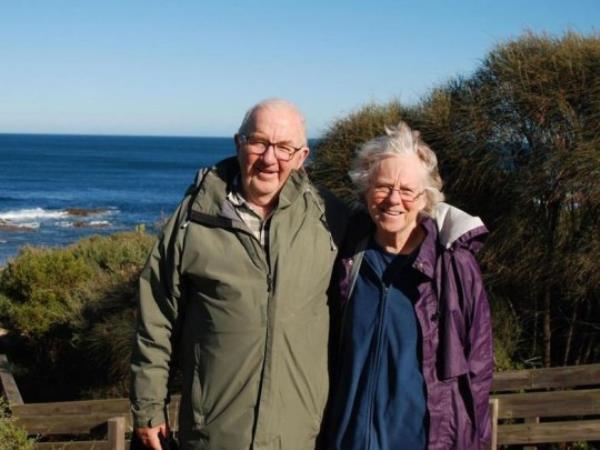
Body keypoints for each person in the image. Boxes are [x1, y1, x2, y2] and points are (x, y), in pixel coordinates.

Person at [129, 99, 348, 449]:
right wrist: (149, 405)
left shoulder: (329, 219)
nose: (269, 158)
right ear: (239, 143)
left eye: (284, 147)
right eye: (259, 142)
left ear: (302, 156)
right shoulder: (194, 218)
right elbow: (157, 314)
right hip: (212, 433)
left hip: (300, 435)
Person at [327, 122, 493, 450]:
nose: (393, 200)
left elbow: (479, 368)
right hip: (349, 440)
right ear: (365, 190)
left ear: (425, 198)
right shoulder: (345, 257)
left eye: (407, 190)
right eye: (382, 186)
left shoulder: (454, 267)